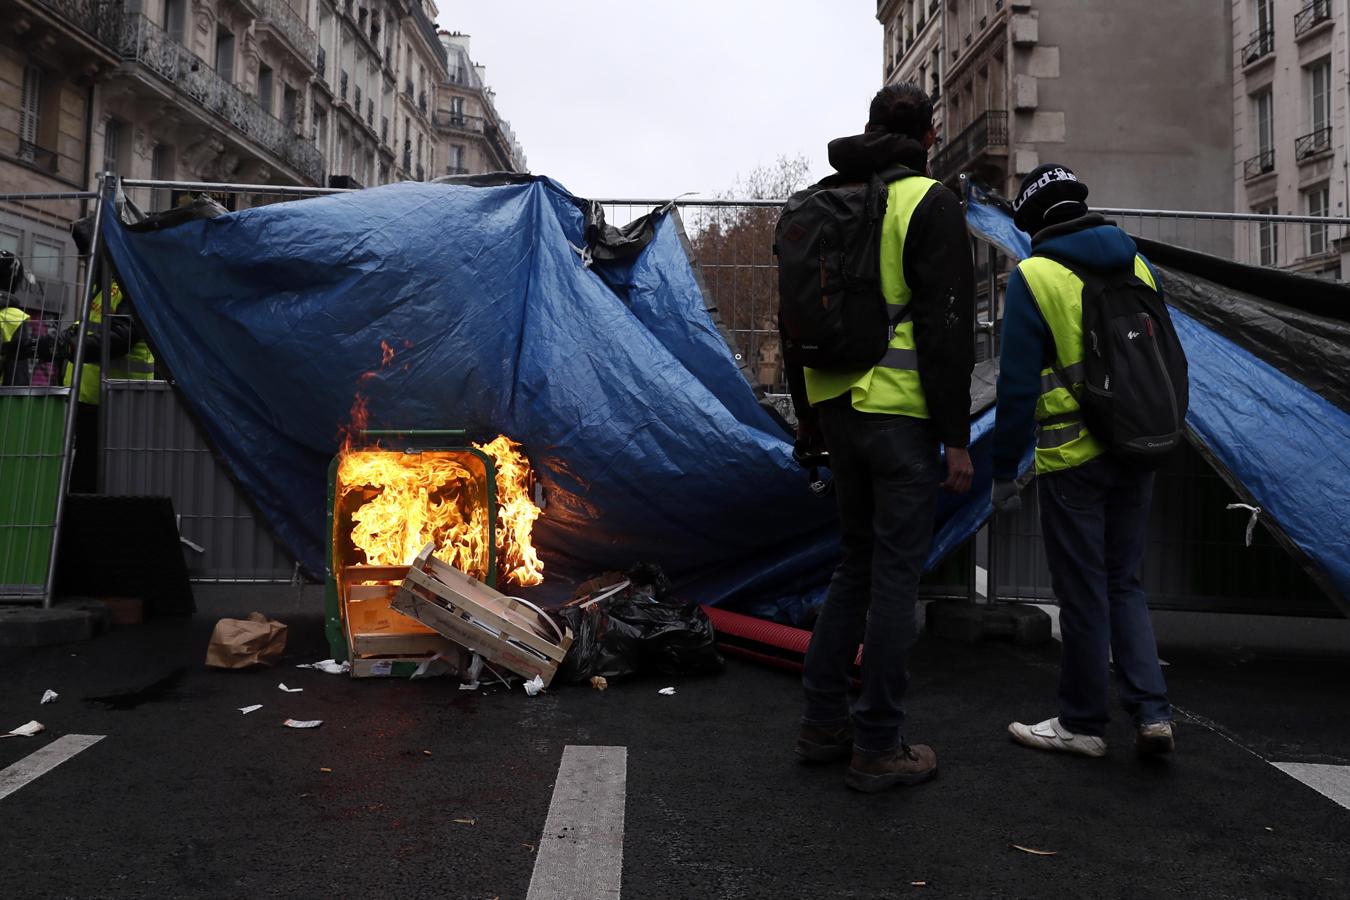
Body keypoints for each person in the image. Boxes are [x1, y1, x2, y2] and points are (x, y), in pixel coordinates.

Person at [789, 83, 975, 793]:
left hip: (837, 406)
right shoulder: (929, 202)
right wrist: (955, 438)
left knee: (855, 565)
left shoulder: (821, 201)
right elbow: (946, 328)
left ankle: (821, 724)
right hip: (900, 415)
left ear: (868, 129)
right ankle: (878, 744)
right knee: (896, 575)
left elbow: (794, 320)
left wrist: (810, 418)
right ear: (928, 138)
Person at [991, 164, 1174, 758]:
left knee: (1083, 592)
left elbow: (1017, 388)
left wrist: (1001, 474)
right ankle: (1152, 713)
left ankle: (1083, 723)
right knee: (1124, 583)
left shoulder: (1034, 276)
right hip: (1137, 448)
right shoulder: (1138, 263)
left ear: (1034, 222)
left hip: (1073, 459)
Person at [63, 217, 155, 492]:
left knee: (101, 482)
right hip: (90, 399)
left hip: (117, 400)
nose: (83, 258)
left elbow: (120, 337)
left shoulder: (130, 283)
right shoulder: (101, 285)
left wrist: (69, 346)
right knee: (84, 478)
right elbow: (89, 328)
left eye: (87, 251)